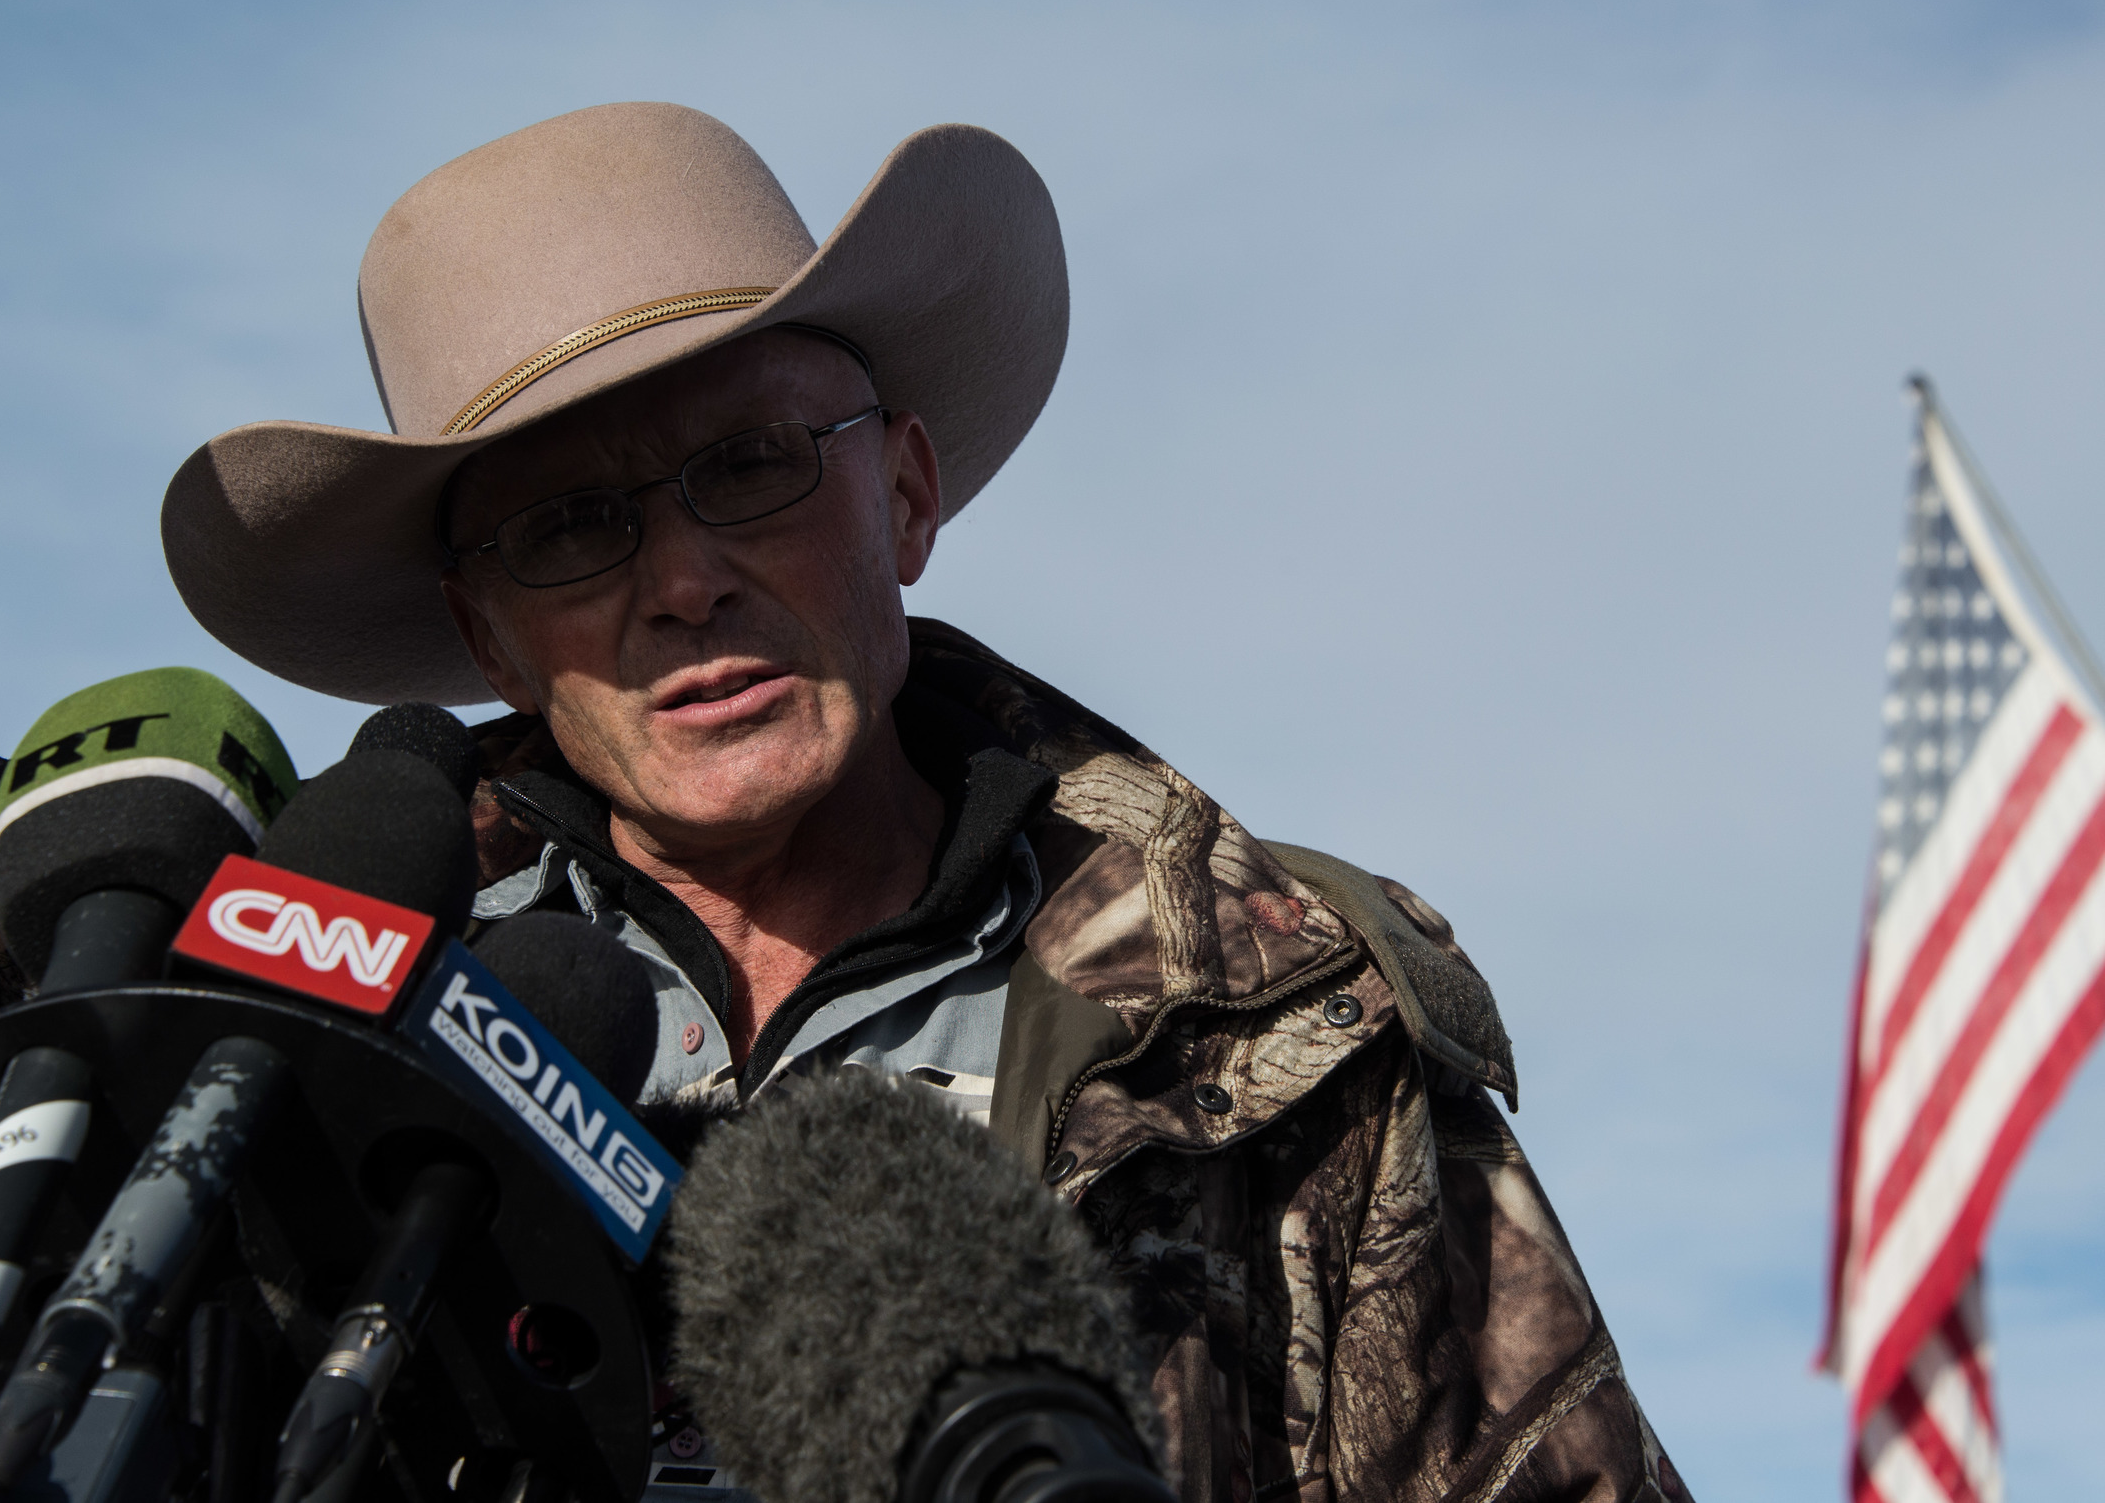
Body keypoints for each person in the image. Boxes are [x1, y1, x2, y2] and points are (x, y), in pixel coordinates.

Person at [162, 103, 1692, 1502]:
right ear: (487, 637)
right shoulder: (288, 1020)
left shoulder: (1294, 1023)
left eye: (750, 465)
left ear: (902, 495)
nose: (685, 582)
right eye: (570, 527)